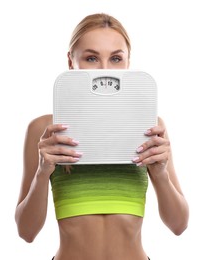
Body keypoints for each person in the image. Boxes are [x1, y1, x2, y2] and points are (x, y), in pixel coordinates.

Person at [15, 13, 189, 260]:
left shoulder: (149, 125)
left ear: (128, 63)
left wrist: (160, 173)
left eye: (116, 58)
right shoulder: (44, 129)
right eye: (91, 58)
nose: (105, 70)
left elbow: (179, 225)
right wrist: (43, 172)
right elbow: (26, 232)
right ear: (71, 61)